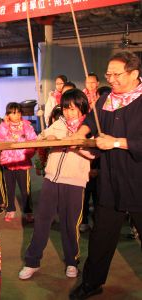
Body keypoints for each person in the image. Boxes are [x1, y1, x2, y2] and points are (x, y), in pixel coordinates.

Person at [69, 51, 142, 299]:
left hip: (138, 181)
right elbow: (92, 117)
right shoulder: (106, 100)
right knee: (101, 237)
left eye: (116, 74)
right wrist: (82, 132)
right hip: (110, 182)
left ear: (134, 73)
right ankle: (92, 282)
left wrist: (117, 142)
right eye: (108, 74)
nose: (110, 79)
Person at [19, 89, 95, 280]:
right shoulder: (58, 124)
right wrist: (47, 139)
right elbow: (40, 138)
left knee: (70, 224)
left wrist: (77, 145)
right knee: (42, 220)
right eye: (66, 109)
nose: (69, 113)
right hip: (51, 178)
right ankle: (32, 262)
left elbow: (96, 154)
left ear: (82, 107)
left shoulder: (90, 126)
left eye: (73, 108)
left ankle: (71, 262)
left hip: (75, 180)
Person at [0, 102, 37, 222]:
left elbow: (33, 142)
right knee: (9, 188)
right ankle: (10, 209)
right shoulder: (3, 125)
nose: (16, 115)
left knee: (25, 189)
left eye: (18, 112)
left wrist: (26, 154)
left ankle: (28, 211)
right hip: (8, 162)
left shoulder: (27, 125)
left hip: (22, 162)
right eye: (13, 113)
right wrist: (4, 125)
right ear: (8, 115)